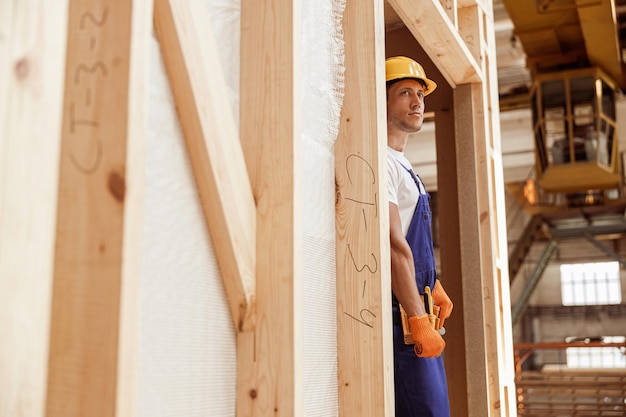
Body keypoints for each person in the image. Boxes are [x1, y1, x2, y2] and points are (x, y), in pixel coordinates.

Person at [385, 56, 454, 417]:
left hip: (417, 310)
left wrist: (432, 283)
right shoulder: (380, 161)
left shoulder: (402, 162)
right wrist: (416, 317)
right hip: (403, 322)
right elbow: (394, 246)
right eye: (405, 93)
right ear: (382, 101)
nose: (417, 103)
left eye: (421, 95)